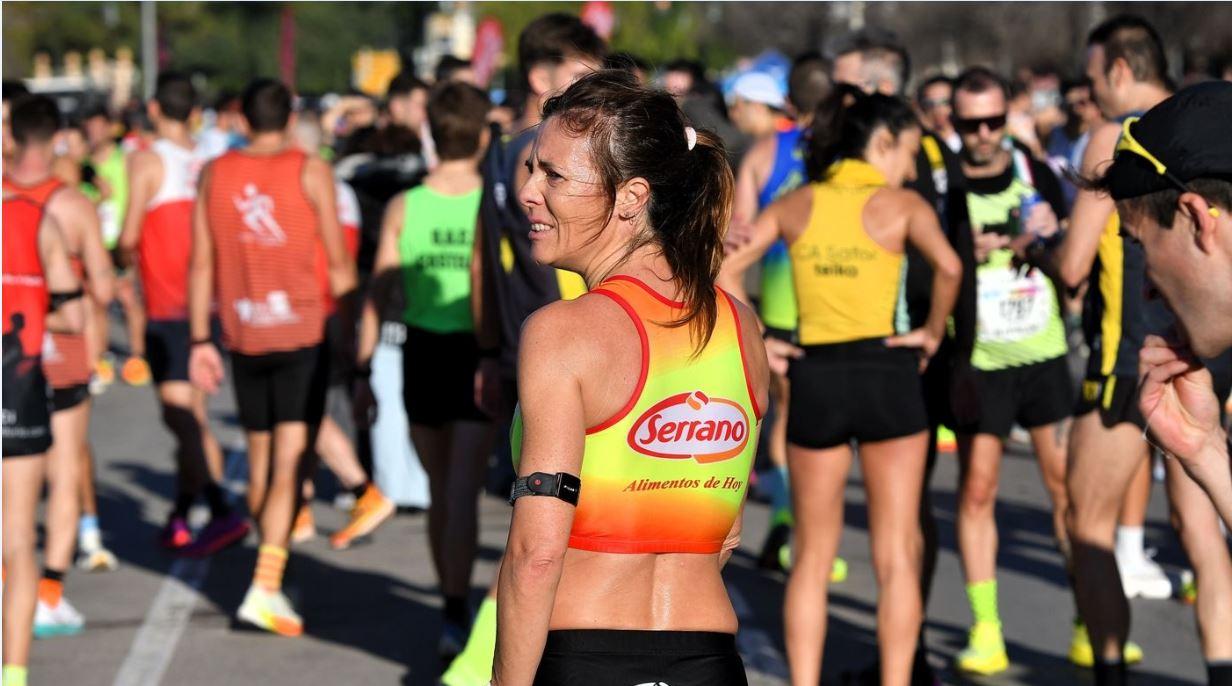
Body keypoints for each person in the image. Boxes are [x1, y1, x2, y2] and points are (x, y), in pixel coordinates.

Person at [491, 68, 767, 686]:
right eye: (532, 168)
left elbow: (536, 553)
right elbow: (724, 535)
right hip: (708, 663)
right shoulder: (742, 328)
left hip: (586, 658)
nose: (527, 192)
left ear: (631, 196)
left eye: (553, 175)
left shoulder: (563, 332)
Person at [721, 84, 962, 686]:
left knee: (812, 555)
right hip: (888, 374)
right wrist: (932, 333)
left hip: (817, 375)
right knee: (895, 554)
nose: (910, 165)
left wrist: (763, 338)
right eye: (908, 151)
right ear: (881, 143)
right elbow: (953, 267)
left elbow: (728, 268)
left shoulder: (800, 203)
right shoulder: (902, 204)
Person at [1051, 16, 1232, 685]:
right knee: (1202, 530)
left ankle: (1109, 672)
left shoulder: (1117, 135)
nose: (1149, 287)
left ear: (1193, 219)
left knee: (1086, 520)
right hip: (1183, 367)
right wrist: (1209, 454)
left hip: (1127, 357)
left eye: (1142, 251)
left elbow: (1071, 265)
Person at [440, 14, 605, 685]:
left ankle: (481, 649)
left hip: (527, 352)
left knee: (544, 526)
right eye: (581, 78)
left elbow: (487, 261)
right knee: (551, 531)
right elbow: (532, 261)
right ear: (542, 78)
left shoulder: (503, 150)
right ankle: (483, 661)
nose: (594, 91)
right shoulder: (541, 154)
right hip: (559, 356)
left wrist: (487, 351)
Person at [189, 78, 357, 636]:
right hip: (299, 330)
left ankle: (268, 574)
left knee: (263, 464)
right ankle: (264, 586)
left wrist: (197, 340)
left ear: (241, 120)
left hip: (242, 333)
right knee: (289, 460)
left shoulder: (215, 173)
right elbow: (337, 262)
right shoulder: (310, 169)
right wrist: (353, 329)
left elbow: (201, 264)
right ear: (289, 119)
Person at [943, 66, 1073, 676]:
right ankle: (986, 629)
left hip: (1043, 355)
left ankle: (1087, 617)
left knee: (1066, 492)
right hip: (982, 361)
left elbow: (1071, 242)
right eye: (972, 123)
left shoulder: (1033, 170)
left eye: (995, 120)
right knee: (977, 492)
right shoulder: (944, 187)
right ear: (956, 122)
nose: (985, 133)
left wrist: (1047, 235)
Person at [357, 80, 495, 653]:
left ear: (431, 135)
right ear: (483, 136)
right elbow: (488, 286)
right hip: (472, 353)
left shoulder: (404, 205)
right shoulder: (493, 200)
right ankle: (456, 608)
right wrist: (495, 357)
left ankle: (450, 605)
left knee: (443, 491)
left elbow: (379, 291)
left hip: (420, 353)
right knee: (460, 493)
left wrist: (363, 370)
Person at [117, 73, 250, 556]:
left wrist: (115, 258)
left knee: (182, 417)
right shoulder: (209, 157)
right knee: (190, 417)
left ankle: (218, 509)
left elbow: (130, 233)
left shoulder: (147, 160)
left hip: (170, 304)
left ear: (154, 108)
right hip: (208, 302)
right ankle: (181, 512)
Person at [4, 94, 115, 640]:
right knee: (64, 470)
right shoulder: (71, 205)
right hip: (60, 352)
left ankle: (19, 585)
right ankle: (48, 593)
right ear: (56, 140)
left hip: (10, 354)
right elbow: (103, 284)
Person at [727, 52, 838, 577]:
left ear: (789, 102)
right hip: (843, 306)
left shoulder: (765, 153)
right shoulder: (850, 155)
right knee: (833, 427)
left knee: (788, 415)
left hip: (780, 305)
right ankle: (812, 534)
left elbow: (738, 239)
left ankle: (788, 519)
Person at [3, 97, 86, 686]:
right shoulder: (39, 220)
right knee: (16, 541)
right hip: (19, 381)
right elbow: (74, 317)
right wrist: (31, 311)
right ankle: (14, 674)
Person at [288, 110, 395, 551]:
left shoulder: (303, 187)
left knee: (303, 410)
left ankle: (361, 491)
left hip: (311, 309)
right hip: (336, 308)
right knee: (303, 410)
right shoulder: (342, 189)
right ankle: (299, 507)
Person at [81, 103, 151, 389]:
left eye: (99, 126)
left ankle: (137, 356)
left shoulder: (126, 160)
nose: (94, 132)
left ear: (111, 128)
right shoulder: (82, 164)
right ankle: (101, 357)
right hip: (94, 242)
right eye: (90, 126)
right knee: (97, 301)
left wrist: (130, 238)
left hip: (121, 239)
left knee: (128, 300)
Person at [915, 75, 959, 153]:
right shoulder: (918, 146)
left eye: (945, 102)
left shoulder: (970, 140)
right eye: (930, 104)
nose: (938, 109)